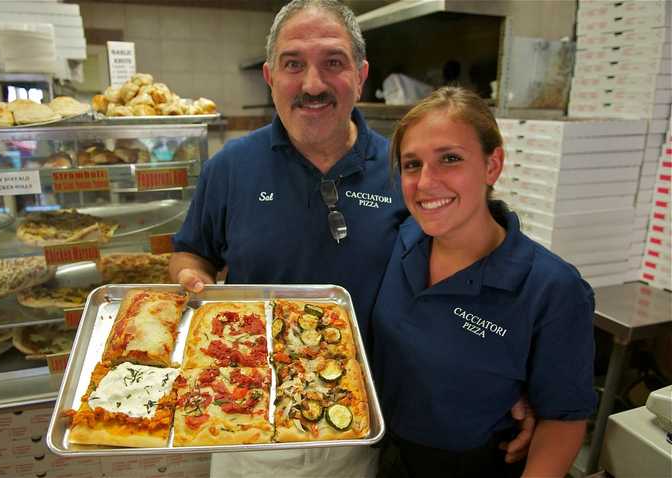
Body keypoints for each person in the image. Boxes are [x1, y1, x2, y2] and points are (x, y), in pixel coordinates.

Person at [170, 1, 534, 476]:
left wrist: (513, 372)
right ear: (269, 76)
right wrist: (192, 279)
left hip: (361, 430)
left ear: (361, 75)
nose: (313, 85)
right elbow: (190, 252)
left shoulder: (407, 171)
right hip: (242, 422)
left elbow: (473, 267)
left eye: (333, 63)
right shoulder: (230, 167)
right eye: (293, 64)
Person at [371, 86, 596, 478]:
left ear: (492, 166)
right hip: (389, 457)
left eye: (450, 159)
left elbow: (564, 420)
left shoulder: (551, 289)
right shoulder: (403, 239)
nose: (426, 182)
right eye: (412, 164)